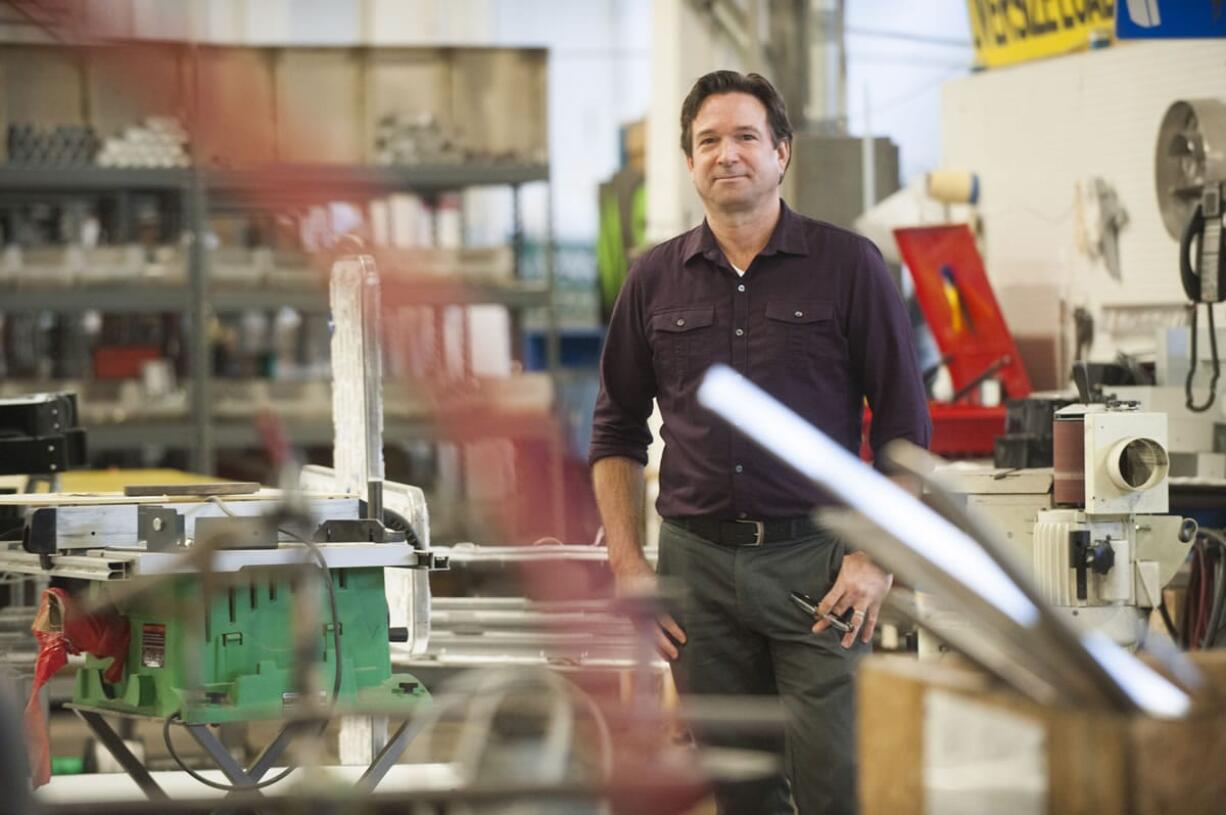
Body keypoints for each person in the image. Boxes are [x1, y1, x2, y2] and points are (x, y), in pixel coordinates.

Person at [588, 70, 931, 815]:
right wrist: (627, 564)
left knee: (834, 780)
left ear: (782, 153)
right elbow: (615, 431)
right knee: (737, 788)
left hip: (819, 569)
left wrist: (877, 559)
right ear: (688, 163)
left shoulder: (850, 268)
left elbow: (907, 427)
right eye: (708, 140)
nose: (728, 154)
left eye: (746, 136)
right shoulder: (652, 280)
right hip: (697, 575)